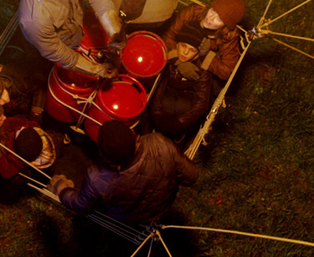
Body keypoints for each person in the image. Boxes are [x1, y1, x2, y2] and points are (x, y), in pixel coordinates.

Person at [49, 121, 199, 224]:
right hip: (164, 204)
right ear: (134, 136)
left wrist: (62, 188)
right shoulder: (159, 143)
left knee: (96, 199)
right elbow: (191, 176)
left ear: (103, 155)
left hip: (128, 218)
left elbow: (81, 206)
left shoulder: (98, 178)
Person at [162, 0, 246, 81]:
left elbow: (227, 71)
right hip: (180, 48)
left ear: (226, 26)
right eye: (213, 11)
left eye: (219, 19)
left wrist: (206, 55)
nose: (210, 18)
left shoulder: (229, 35)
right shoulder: (193, 12)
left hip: (202, 63)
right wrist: (177, 61)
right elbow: (168, 36)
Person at [151, 27, 212, 142]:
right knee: (166, 102)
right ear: (178, 44)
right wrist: (157, 116)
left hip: (184, 112)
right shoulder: (169, 61)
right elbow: (158, 90)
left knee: (182, 104)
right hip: (166, 106)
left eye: (192, 50)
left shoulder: (202, 70)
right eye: (183, 46)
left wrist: (180, 123)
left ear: (198, 52)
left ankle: (177, 137)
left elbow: (201, 103)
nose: (185, 52)